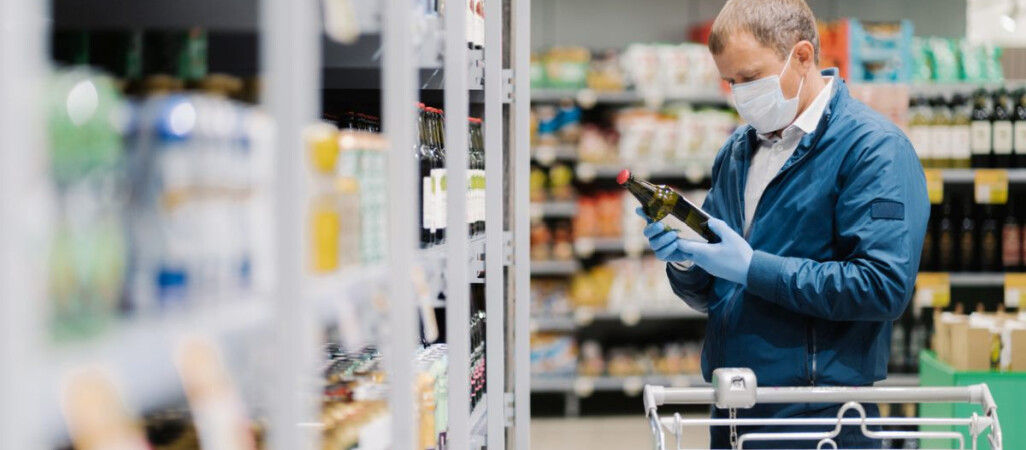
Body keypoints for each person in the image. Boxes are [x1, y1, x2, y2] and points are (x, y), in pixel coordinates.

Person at [638, 0, 929, 448]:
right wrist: (686, 262)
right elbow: (715, 293)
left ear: (803, 56)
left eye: (750, 78)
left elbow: (882, 286)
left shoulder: (873, 150)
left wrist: (754, 267)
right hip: (732, 410)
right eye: (731, 81)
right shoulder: (738, 152)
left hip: (820, 420)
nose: (740, 94)